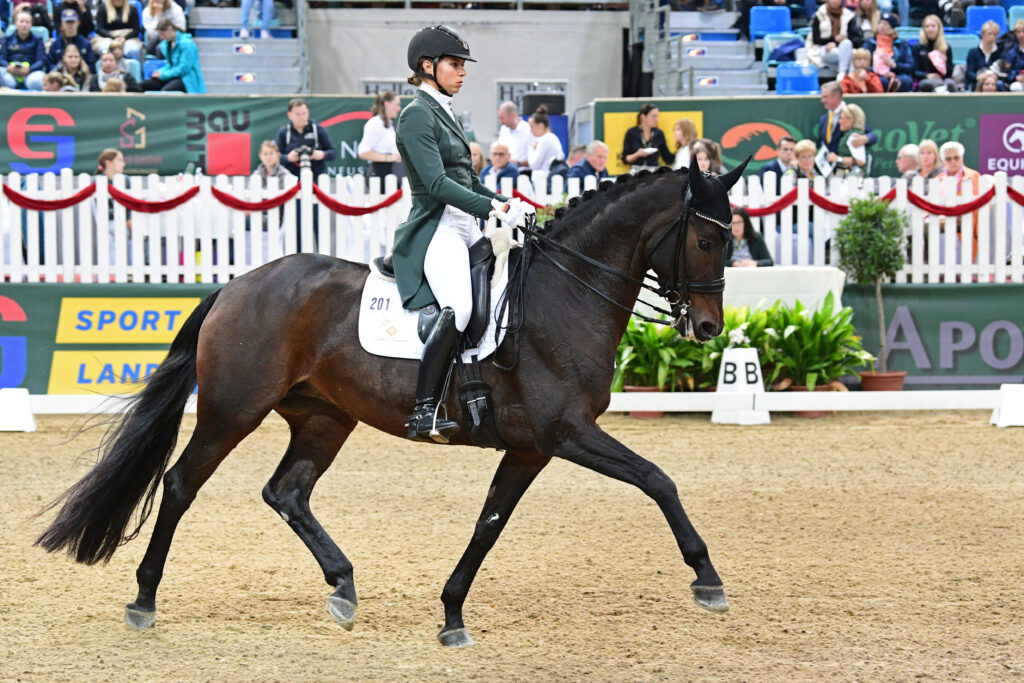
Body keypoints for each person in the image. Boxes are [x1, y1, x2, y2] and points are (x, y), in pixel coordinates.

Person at [392, 25, 522, 443]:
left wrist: (508, 202)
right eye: (454, 64)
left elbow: (466, 179)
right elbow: (435, 184)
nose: (462, 72)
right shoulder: (416, 114)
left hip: (466, 224)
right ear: (427, 67)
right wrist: (491, 207)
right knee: (460, 308)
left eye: (463, 64)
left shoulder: (446, 112)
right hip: (437, 228)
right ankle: (423, 411)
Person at [936, 140, 981, 259]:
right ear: (942, 162)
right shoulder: (937, 180)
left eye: (956, 158)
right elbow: (929, 205)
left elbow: (974, 204)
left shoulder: (972, 176)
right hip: (939, 222)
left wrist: (950, 216)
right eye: (948, 159)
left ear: (962, 159)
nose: (953, 162)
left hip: (964, 221)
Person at [275, 97, 336, 177]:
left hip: (315, 178)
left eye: (304, 113)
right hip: (290, 179)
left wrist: (321, 154)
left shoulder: (318, 129)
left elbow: (333, 153)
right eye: (297, 114)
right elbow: (275, 157)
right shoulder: (283, 132)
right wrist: (288, 157)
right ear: (289, 115)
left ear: (308, 112)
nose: (301, 117)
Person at [141, 19, 206, 93]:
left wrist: (163, 75)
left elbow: (183, 69)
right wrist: (159, 72)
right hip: (172, 76)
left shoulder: (187, 44)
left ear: (170, 28)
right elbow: (170, 65)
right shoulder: (167, 45)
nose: (162, 37)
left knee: (164, 93)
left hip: (186, 79)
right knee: (143, 85)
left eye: (163, 34)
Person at [815, 81, 877, 155]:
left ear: (836, 96)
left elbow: (873, 136)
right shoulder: (823, 119)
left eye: (825, 97)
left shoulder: (851, 114)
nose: (822, 101)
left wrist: (864, 139)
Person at [358, 90, 405, 185]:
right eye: (396, 104)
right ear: (387, 104)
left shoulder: (389, 124)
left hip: (391, 174)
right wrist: (390, 157)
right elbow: (363, 152)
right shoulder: (375, 123)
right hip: (379, 175)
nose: (399, 108)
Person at [806, 0, 864, 77]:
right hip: (823, 47)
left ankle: (844, 75)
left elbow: (852, 37)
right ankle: (846, 75)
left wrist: (836, 43)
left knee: (849, 47)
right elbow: (816, 39)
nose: (835, 1)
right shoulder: (819, 15)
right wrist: (833, 40)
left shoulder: (848, 15)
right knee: (848, 54)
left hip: (843, 47)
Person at [95, 148, 131, 265]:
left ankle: (140, 266)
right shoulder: (97, 181)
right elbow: (100, 209)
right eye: (119, 160)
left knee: (142, 231)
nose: (123, 164)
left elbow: (130, 203)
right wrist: (124, 220)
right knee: (120, 230)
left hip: (125, 220)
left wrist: (129, 219)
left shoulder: (126, 180)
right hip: (107, 221)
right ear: (108, 163)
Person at [866, 12, 914, 92]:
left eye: (886, 24)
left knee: (905, 81)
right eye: (880, 23)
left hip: (897, 73)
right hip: (876, 73)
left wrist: (895, 66)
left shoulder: (902, 44)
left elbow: (910, 65)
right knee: (880, 81)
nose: (882, 26)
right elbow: (864, 62)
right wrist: (880, 71)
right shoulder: (871, 42)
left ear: (893, 28)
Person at [0, 11, 46, 90]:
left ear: (31, 24)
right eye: (21, 21)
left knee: (37, 80)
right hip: (10, 73)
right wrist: (8, 67)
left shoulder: (38, 40)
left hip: (31, 74)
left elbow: (41, 60)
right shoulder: (7, 39)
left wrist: (30, 69)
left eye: (27, 22)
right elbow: (1, 58)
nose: (24, 25)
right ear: (15, 23)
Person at [621, 103, 675, 170]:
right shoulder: (631, 133)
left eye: (657, 116)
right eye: (653, 116)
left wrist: (680, 149)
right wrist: (637, 154)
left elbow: (667, 158)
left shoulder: (659, 133)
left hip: (654, 173)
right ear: (643, 117)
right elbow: (625, 159)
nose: (656, 119)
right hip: (637, 173)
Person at [914, 15, 958, 92]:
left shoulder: (946, 47)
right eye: (927, 26)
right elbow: (914, 71)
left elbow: (950, 73)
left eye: (933, 26)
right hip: (925, 79)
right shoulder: (918, 47)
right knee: (936, 84)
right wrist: (928, 76)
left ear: (938, 28)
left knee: (950, 83)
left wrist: (944, 62)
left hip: (943, 79)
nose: (930, 29)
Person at [826, 103, 870, 178]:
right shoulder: (850, 135)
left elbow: (860, 161)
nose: (839, 121)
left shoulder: (854, 137)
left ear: (850, 119)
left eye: (842, 118)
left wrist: (837, 159)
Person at [47, 8, 98, 73]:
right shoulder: (56, 44)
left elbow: (91, 65)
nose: (70, 25)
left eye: (72, 22)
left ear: (78, 23)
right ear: (62, 23)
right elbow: (50, 64)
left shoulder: (86, 44)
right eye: (67, 22)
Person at [964, 21, 1006, 92]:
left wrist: (996, 77)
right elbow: (969, 72)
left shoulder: (1000, 53)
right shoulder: (973, 52)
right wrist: (977, 77)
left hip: (994, 81)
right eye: (989, 34)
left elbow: (1003, 72)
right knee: (979, 84)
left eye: (995, 35)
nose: (992, 37)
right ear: (982, 34)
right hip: (978, 80)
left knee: (999, 84)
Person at [525, 105, 565, 174]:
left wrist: (531, 148)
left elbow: (533, 165)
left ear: (541, 125)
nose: (531, 131)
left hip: (545, 180)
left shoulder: (545, 139)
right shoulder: (551, 137)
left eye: (532, 127)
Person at [497, 100, 532, 168]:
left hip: (523, 173)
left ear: (512, 115)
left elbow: (534, 159)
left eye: (502, 118)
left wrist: (517, 163)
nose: (501, 122)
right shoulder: (503, 130)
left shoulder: (528, 130)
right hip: (505, 170)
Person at [1004, 19, 1024, 92]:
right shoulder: (1011, 53)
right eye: (1019, 32)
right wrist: (1016, 77)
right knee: (1015, 87)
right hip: (1018, 83)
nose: (1021, 35)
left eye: (1023, 31)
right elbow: (1007, 72)